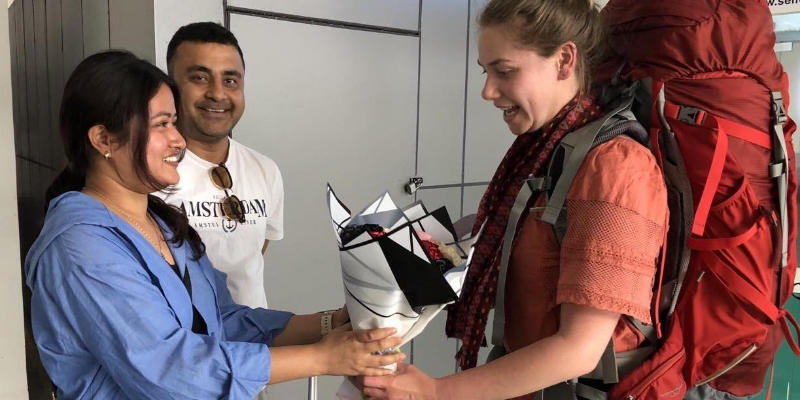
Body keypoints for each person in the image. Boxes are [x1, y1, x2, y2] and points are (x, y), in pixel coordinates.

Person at [25, 50, 404, 400]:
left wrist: (330, 324)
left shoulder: (162, 222)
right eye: (161, 124)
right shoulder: (80, 246)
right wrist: (321, 358)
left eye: (174, 122)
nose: (178, 140)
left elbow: (224, 321)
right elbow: (170, 369)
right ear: (104, 139)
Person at [362, 0, 667, 399]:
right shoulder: (543, 151)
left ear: (564, 60)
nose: (487, 91)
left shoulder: (617, 168)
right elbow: (499, 233)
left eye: (504, 71)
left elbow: (579, 350)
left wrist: (434, 392)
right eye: (485, 72)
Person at [156, 21, 281, 310]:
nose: (217, 93)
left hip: (258, 333)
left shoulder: (265, 170)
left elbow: (252, 255)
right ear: (171, 87)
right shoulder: (150, 175)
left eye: (230, 80)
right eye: (200, 78)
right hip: (184, 335)